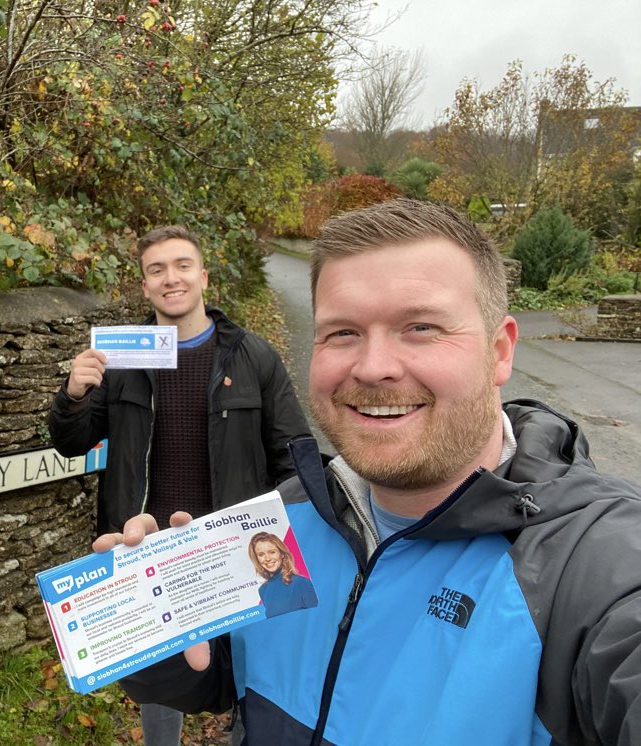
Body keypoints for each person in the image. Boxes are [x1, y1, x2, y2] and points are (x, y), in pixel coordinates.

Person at [97, 199, 641, 744]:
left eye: (421, 327)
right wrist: (155, 634)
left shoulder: (596, 568)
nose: (374, 367)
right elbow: (222, 681)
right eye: (342, 333)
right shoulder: (287, 521)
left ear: (499, 351)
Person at [49, 225, 311, 745]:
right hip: (147, 544)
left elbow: (293, 456)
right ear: (145, 287)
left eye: (182, 265)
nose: (171, 278)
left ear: (203, 276)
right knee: (159, 682)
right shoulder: (124, 361)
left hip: (233, 549)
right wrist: (73, 394)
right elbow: (73, 441)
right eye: (156, 270)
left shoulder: (254, 357)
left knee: (248, 674)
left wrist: (290, 537)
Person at [247, 532, 317, 618]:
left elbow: (317, 618)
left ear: (282, 554)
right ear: (256, 559)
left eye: (272, 552)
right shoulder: (263, 590)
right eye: (261, 554)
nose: (267, 558)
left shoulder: (301, 583)